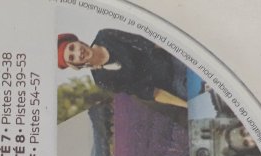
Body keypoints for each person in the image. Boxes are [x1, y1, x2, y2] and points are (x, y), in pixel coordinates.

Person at [58, 30, 187, 108]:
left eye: (72, 47)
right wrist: (186, 105)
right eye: (72, 57)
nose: (78, 52)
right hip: (175, 85)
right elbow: (152, 93)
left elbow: (148, 43)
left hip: (175, 59)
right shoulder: (102, 80)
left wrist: (182, 51)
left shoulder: (105, 36)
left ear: (77, 42)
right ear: (76, 65)